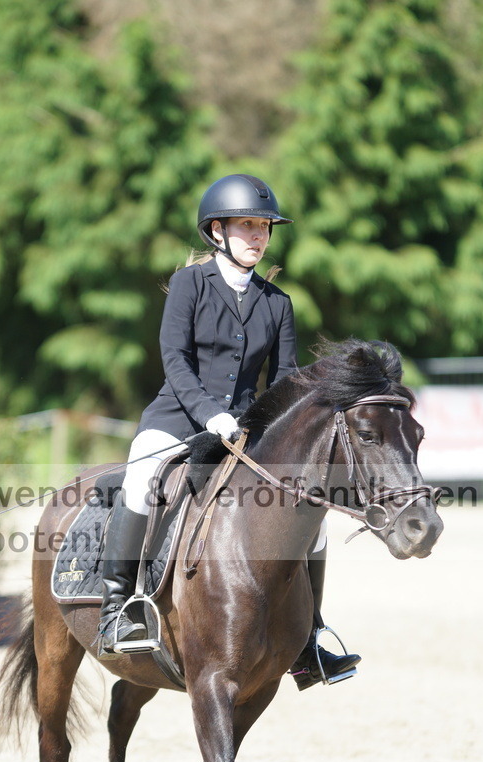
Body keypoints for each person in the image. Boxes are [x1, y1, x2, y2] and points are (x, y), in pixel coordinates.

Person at [97, 172, 360, 686]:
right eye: (248, 227)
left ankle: (310, 639)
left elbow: (284, 381)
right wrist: (206, 412)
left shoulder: (277, 302)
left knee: (315, 516)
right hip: (177, 417)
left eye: (264, 228)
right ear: (217, 231)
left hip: (248, 431)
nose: (259, 237)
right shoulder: (190, 285)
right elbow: (175, 359)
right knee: (141, 479)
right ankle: (116, 609)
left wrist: (269, 428)